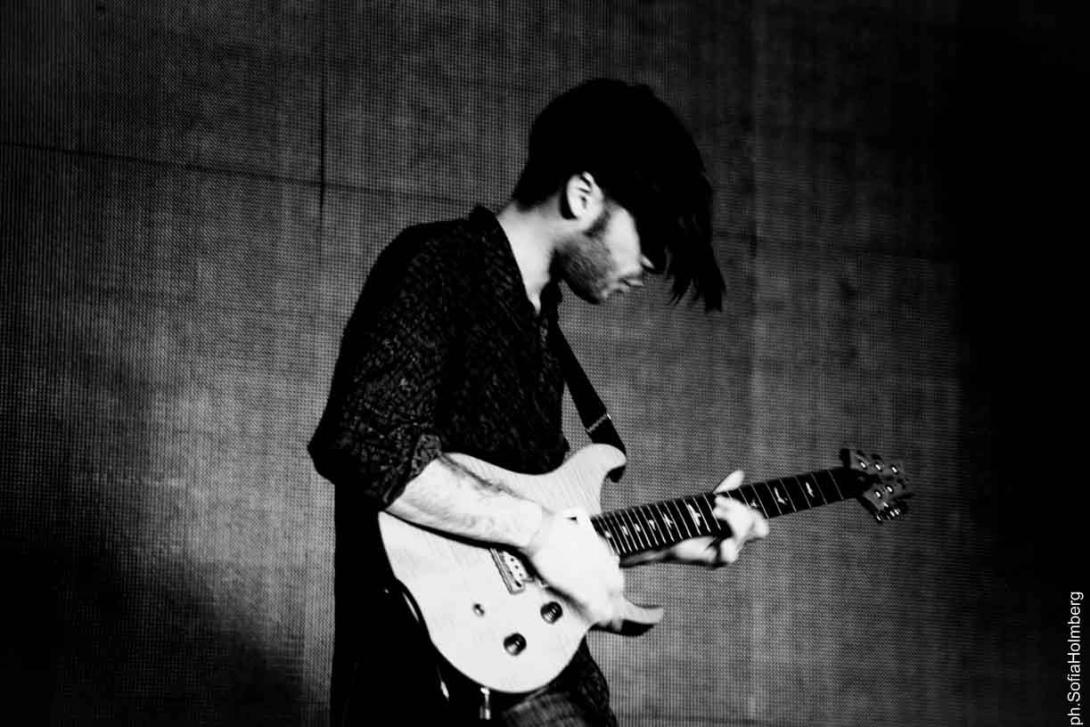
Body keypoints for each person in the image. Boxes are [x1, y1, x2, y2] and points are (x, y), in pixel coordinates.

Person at [308, 78, 770, 726]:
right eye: (650, 238)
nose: (653, 265)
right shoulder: (439, 264)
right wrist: (542, 532)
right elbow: (365, 440)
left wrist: (668, 543)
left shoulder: (542, 329)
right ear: (583, 195)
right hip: (431, 681)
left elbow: (528, 542)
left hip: (530, 672)